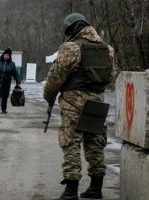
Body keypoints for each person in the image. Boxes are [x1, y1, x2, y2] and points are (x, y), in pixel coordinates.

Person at [43, 13, 115, 200]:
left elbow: (55, 77)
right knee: (95, 144)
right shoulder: (107, 49)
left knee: (71, 144)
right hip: (97, 103)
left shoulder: (71, 47)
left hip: (73, 103)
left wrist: (49, 96)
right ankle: (95, 188)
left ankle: (70, 191)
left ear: (73, 29)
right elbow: (110, 76)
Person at [0, 48, 21, 113]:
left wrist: (18, 81)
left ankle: (4, 109)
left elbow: (15, 74)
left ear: (9, 56)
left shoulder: (12, 64)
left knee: (5, 96)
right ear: (3, 55)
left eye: (8, 56)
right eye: (5, 55)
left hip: (6, 83)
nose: (6, 56)